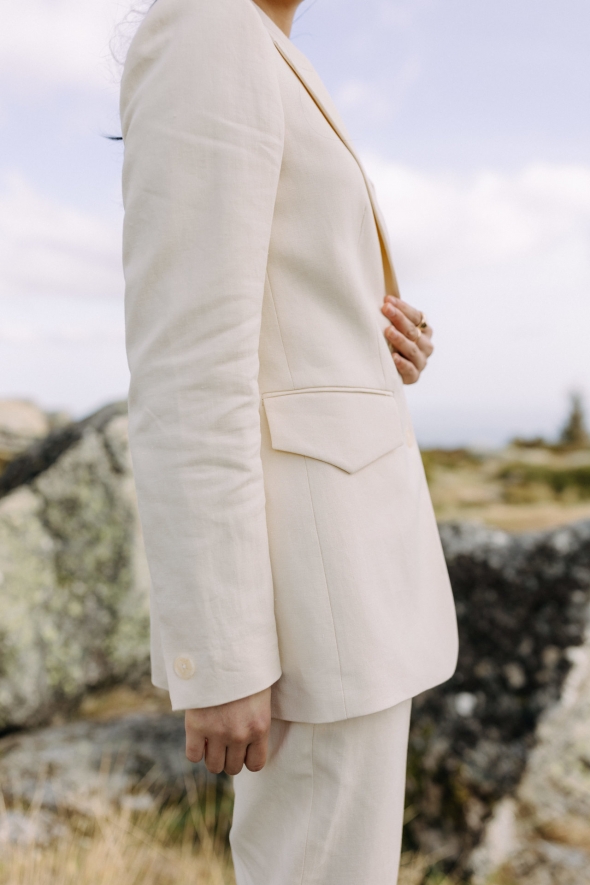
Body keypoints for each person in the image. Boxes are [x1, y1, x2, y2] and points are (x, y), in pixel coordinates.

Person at [120, 0, 458, 881]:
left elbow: (280, 306)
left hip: (349, 585)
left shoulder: (263, 43)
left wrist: (376, 337)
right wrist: (221, 650)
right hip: (308, 606)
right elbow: (186, 362)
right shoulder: (206, 26)